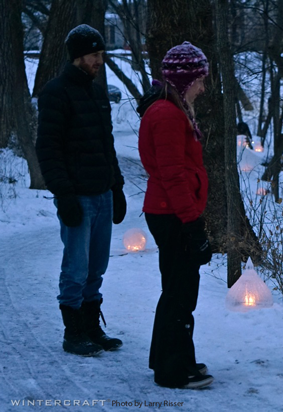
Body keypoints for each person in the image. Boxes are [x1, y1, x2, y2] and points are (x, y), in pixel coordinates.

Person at [36, 24, 127, 357]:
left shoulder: (96, 92)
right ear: (78, 57)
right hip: (78, 196)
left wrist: (116, 187)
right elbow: (48, 149)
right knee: (75, 267)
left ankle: (91, 326)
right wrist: (65, 195)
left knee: (96, 267)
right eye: (94, 55)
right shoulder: (55, 93)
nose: (99, 61)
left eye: (101, 54)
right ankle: (73, 332)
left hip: (102, 193)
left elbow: (107, 146)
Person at [138, 41, 213, 390]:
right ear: (185, 80)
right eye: (199, 79)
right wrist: (192, 222)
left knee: (179, 290)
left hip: (173, 212)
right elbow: (173, 173)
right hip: (172, 214)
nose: (203, 86)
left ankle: (173, 357)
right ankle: (171, 369)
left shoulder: (173, 109)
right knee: (180, 292)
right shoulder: (167, 114)